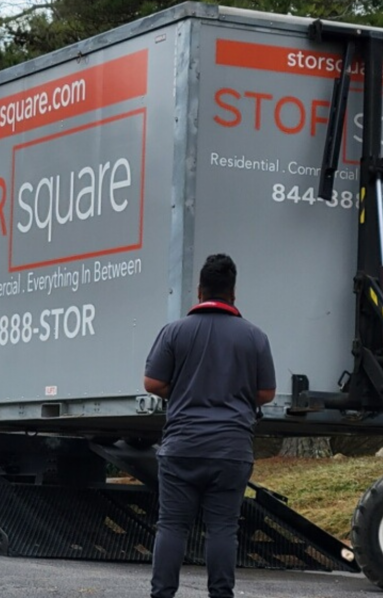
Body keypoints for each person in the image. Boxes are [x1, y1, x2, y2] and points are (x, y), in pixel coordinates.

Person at [144, 253, 276, 598]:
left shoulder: (174, 332)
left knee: (172, 525)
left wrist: (186, 387)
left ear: (200, 291)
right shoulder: (255, 337)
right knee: (222, 529)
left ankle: (162, 594)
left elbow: (152, 383)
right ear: (233, 294)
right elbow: (266, 392)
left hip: (182, 448)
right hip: (231, 450)